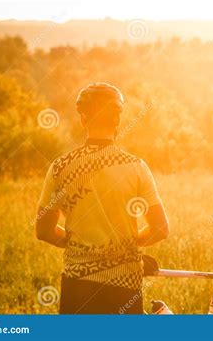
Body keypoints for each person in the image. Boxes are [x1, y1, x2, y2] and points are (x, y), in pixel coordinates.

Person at [35, 83, 169, 314]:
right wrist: (128, 244)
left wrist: (80, 245)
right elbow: (159, 229)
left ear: (83, 118)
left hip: (77, 284)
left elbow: (44, 230)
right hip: (124, 283)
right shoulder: (136, 167)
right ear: (117, 120)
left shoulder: (60, 167)